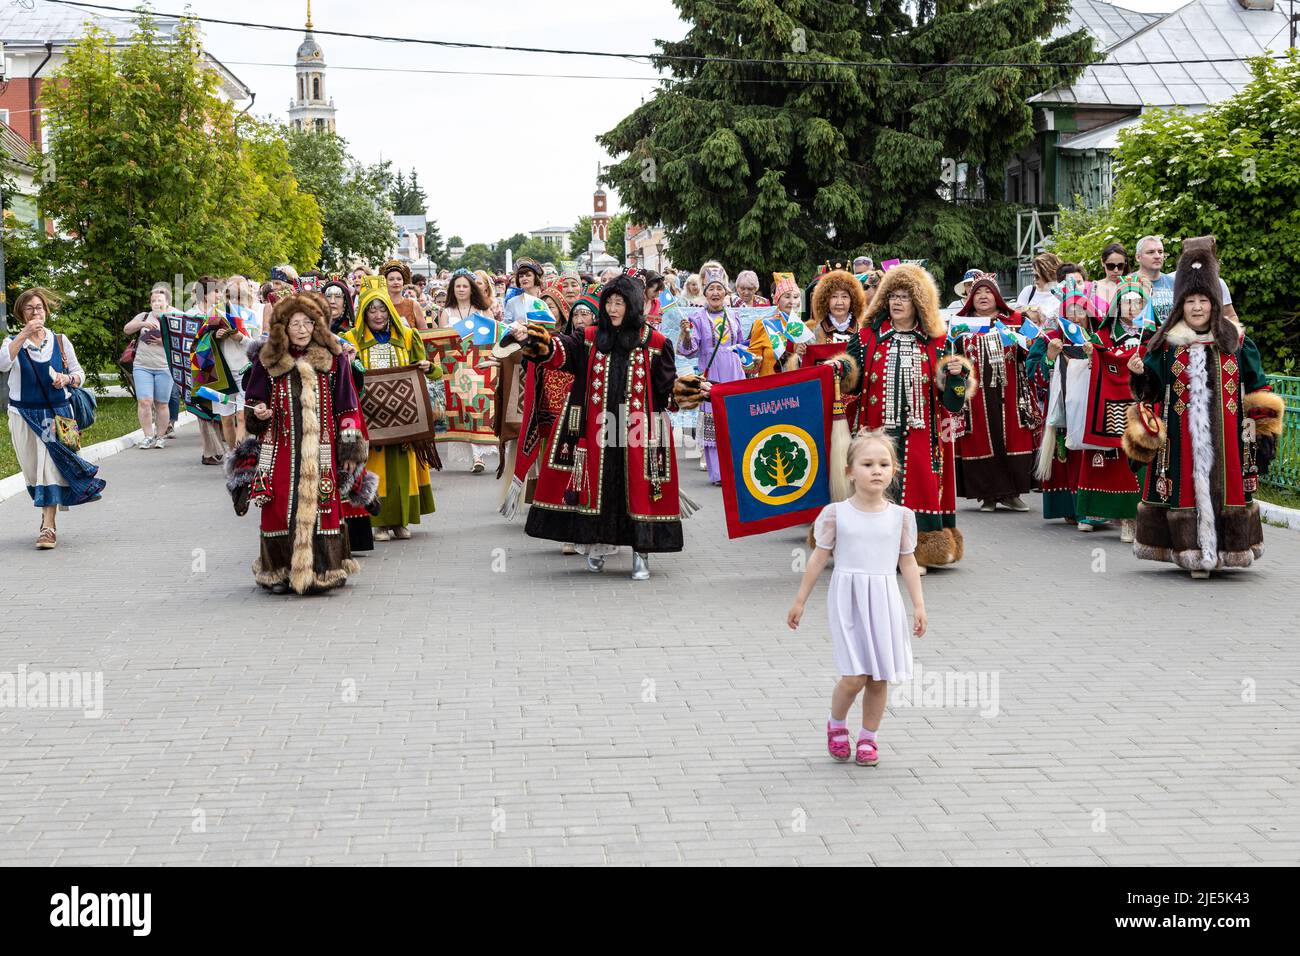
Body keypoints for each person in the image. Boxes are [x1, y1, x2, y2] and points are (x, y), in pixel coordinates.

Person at [512, 274, 705, 580]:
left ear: (632, 306)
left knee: (637, 490)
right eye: (610, 302)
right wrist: (535, 340)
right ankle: (596, 546)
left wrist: (687, 389)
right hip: (596, 427)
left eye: (620, 303)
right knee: (598, 487)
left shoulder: (655, 342)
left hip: (638, 430)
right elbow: (559, 352)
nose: (614, 309)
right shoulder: (588, 337)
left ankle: (641, 555)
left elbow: (666, 388)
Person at [1123, 245, 1280, 578]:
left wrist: (1263, 435)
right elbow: (1150, 391)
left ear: (1214, 304)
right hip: (1181, 443)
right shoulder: (1165, 344)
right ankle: (1189, 550)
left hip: (1230, 442)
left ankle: (1229, 550)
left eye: (1204, 300)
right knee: (1186, 488)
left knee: (1228, 487)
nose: (1197, 307)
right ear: (1181, 304)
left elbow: (1258, 388)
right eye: (1190, 301)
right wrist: (1138, 373)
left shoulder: (1237, 343)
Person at [821, 265, 977, 571]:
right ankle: (871, 551)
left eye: (905, 296)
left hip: (921, 435)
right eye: (892, 295)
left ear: (919, 303)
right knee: (874, 484)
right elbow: (850, 371)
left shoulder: (939, 343)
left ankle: (916, 552)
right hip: (875, 430)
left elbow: (953, 402)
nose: (897, 302)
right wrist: (837, 369)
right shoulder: (867, 337)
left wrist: (958, 377)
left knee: (917, 485)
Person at [787, 430, 926, 768]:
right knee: (854, 676)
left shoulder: (901, 517)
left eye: (884, 464)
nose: (876, 470)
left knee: (878, 676)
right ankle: (836, 725)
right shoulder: (837, 514)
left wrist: (918, 605)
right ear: (850, 471)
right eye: (867, 464)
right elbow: (819, 557)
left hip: (884, 599)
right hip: (848, 599)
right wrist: (800, 600)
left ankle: (868, 738)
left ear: (894, 471)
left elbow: (907, 560)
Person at [232, 291, 368, 594]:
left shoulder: (333, 361)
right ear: (284, 327)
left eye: (309, 323)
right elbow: (253, 402)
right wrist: (260, 412)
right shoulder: (267, 361)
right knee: (278, 505)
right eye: (296, 323)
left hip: (321, 449)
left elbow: (347, 407)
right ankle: (278, 571)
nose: (303, 329)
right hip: (278, 449)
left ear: (318, 325)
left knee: (325, 503)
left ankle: (325, 570)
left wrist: (348, 448)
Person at [0, 288, 105, 548]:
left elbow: (79, 374)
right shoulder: (12, 342)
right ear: (21, 314)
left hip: (58, 415)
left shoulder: (60, 340)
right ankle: (47, 516)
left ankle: (48, 526)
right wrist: (24, 334)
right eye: (29, 309)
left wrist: (67, 379)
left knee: (50, 467)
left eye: (39, 308)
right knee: (33, 471)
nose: (36, 312)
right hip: (23, 414)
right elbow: (2, 364)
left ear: (46, 311)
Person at [342, 282, 442, 540]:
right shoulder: (351, 340)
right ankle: (379, 521)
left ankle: (402, 520)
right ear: (363, 313)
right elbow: (340, 375)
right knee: (375, 467)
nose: (377, 315)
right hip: (370, 416)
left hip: (404, 417)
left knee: (402, 466)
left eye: (382, 310)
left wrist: (426, 367)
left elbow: (435, 371)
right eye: (372, 310)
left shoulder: (408, 336)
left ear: (389, 312)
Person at [952, 274, 1035, 512]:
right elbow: (949, 354)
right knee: (981, 439)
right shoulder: (961, 324)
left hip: (1010, 393)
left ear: (997, 296)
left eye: (988, 292)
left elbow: (1033, 348)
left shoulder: (1015, 320)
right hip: (976, 397)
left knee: (1011, 438)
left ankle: (1011, 494)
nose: (983, 296)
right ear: (970, 298)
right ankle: (987, 495)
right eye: (977, 292)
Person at [678, 265, 746, 485]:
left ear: (725, 292)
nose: (715, 293)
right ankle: (718, 473)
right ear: (704, 293)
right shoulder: (696, 318)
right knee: (713, 421)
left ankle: (737, 469)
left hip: (735, 372)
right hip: (711, 372)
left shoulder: (734, 316)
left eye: (719, 288)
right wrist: (686, 333)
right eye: (711, 289)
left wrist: (750, 358)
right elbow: (690, 349)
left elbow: (742, 344)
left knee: (735, 421)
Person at [438, 268, 497, 473]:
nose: (461, 289)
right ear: (452, 290)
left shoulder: (483, 311)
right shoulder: (446, 312)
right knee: (464, 410)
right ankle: (475, 454)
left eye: (465, 286)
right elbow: (443, 341)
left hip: (479, 366)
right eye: (458, 286)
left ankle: (478, 456)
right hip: (456, 368)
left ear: (472, 289)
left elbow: (492, 339)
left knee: (477, 409)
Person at [124, 283, 176, 449]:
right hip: (142, 366)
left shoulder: (174, 316)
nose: (156, 303)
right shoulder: (144, 316)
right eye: (153, 300)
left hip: (164, 367)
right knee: (145, 401)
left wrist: (163, 342)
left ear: (167, 302)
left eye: (159, 300)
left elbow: (185, 341)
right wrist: (142, 325)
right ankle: (147, 436)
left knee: (162, 403)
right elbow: (127, 329)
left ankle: (160, 437)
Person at [748, 273, 803, 376]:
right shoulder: (763, 325)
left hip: (796, 388)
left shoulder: (804, 328)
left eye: (795, 297)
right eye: (787, 297)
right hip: (769, 387)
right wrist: (752, 361)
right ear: (777, 300)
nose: (792, 301)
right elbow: (750, 365)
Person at [1014, 252, 1062, 329]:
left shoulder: (1062, 294)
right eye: (1034, 275)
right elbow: (1016, 320)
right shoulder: (1029, 291)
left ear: (1048, 274)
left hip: (1054, 339)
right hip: (1029, 339)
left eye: (1037, 276)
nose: (1034, 279)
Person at [380, 259, 428, 331]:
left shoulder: (414, 305)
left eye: (399, 279)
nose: (396, 282)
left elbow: (424, 332)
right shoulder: (381, 305)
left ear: (403, 282)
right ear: (385, 282)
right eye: (391, 279)